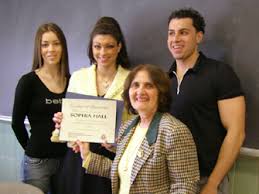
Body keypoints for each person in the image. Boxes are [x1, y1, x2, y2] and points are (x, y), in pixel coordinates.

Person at [61, 64, 199, 193]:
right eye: (135, 85)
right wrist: (87, 155)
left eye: (149, 86)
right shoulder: (128, 127)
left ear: (161, 93)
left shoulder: (174, 131)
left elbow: (185, 185)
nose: (140, 91)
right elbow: (122, 172)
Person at [167, 8, 246, 194]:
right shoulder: (164, 79)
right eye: (171, 33)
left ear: (199, 37)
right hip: (171, 180)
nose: (175, 39)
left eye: (183, 32)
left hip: (206, 180)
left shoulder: (220, 73)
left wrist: (212, 183)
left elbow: (236, 132)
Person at [52, 16, 131, 194]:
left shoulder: (132, 80)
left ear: (119, 47)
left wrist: (117, 144)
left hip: (110, 160)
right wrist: (62, 126)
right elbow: (68, 126)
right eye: (97, 46)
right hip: (77, 159)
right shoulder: (78, 77)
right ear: (91, 48)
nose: (103, 52)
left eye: (109, 46)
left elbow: (137, 126)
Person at [11, 22, 70, 194]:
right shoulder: (28, 82)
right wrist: (32, 150)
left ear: (63, 47)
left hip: (67, 161)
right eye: (45, 44)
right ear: (39, 48)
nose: (51, 49)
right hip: (37, 164)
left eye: (56, 43)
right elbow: (16, 123)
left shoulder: (73, 81)